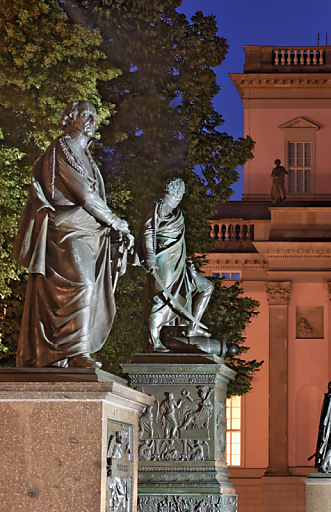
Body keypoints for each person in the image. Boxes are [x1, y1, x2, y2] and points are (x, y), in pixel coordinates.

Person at [13, 100, 133, 368]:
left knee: (90, 286)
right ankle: (76, 351)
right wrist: (115, 221)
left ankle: (66, 352)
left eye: (94, 115)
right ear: (70, 118)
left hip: (89, 231)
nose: (91, 120)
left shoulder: (86, 155)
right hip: (66, 229)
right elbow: (85, 195)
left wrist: (113, 227)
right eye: (85, 114)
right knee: (84, 283)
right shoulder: (62, 147)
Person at [135, 178, 213, 352]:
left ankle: (193, 327)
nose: (181, 195)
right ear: (176, 193)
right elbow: (148, 231)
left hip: (179, 264)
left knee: (206, 287)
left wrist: (187, 262)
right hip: (164, 262)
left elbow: (178, 243)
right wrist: (150, 257)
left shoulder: (175, 212)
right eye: (180, 192)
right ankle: (153, 341)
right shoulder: (159, 207)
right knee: (162, 298)